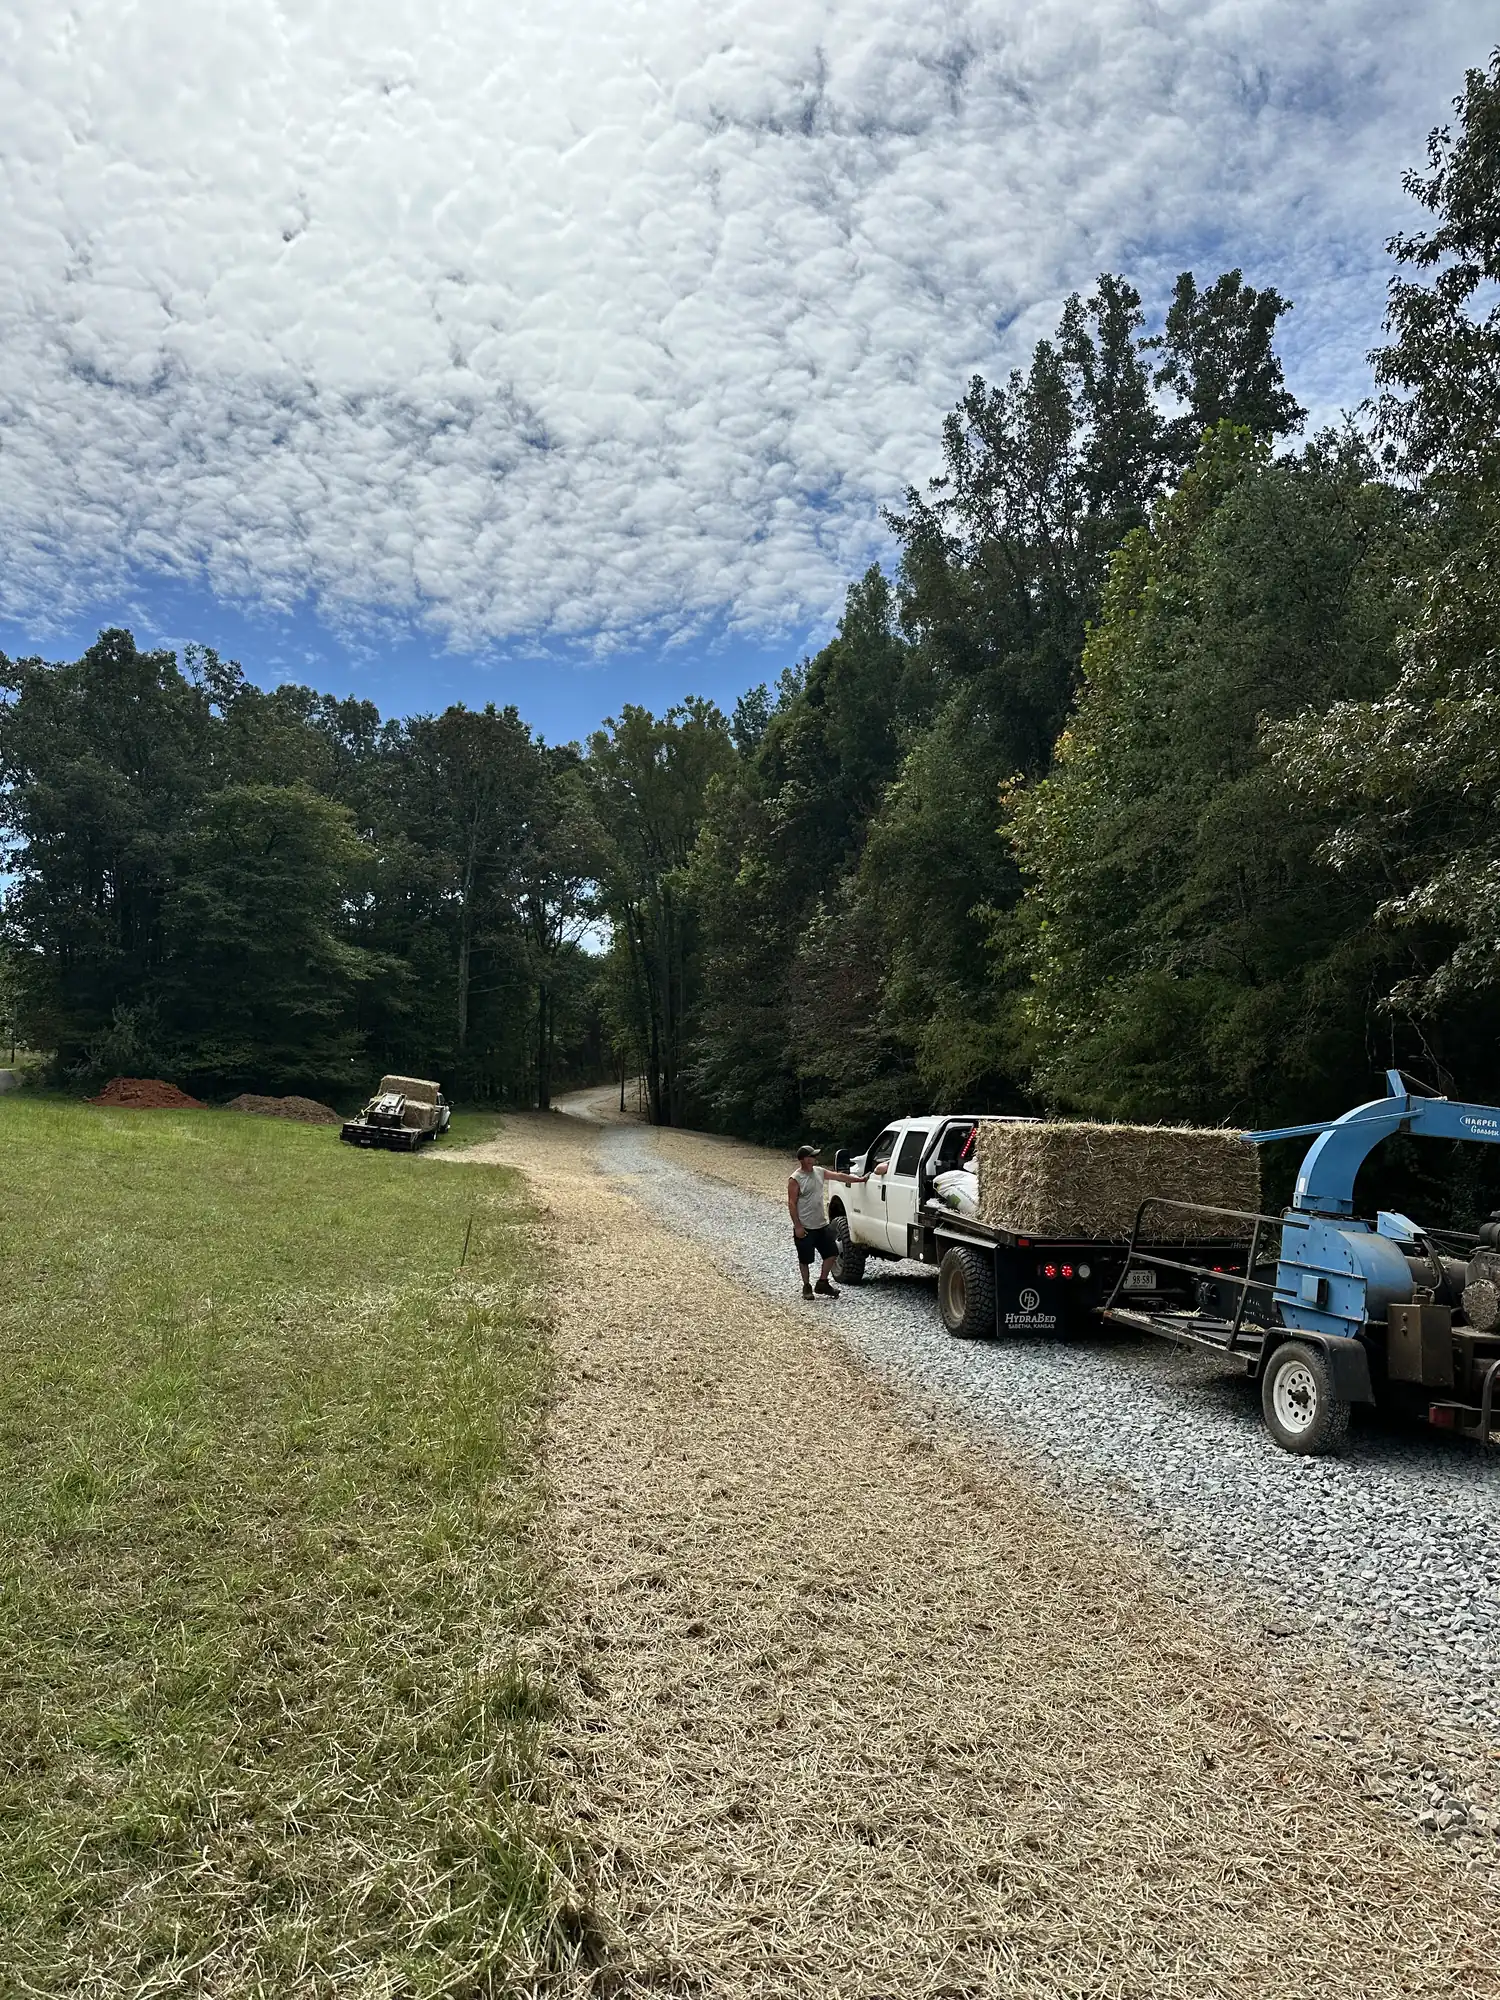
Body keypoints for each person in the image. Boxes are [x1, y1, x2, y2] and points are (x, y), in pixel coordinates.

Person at [788, 1144, 865, 1300]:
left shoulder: (819, 1172)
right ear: (803, 1159)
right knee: (805, 1259)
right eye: (811, 1156)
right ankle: (806, 1286)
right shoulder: (795, 1179)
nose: (814, 1158)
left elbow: (839, 1176)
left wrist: (859, 1180)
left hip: (821, 1224)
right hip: (806, 1226)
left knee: (832, 1254)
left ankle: (822, 1282)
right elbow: (791, 1203)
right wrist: (798, 1226)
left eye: (814, 1156)